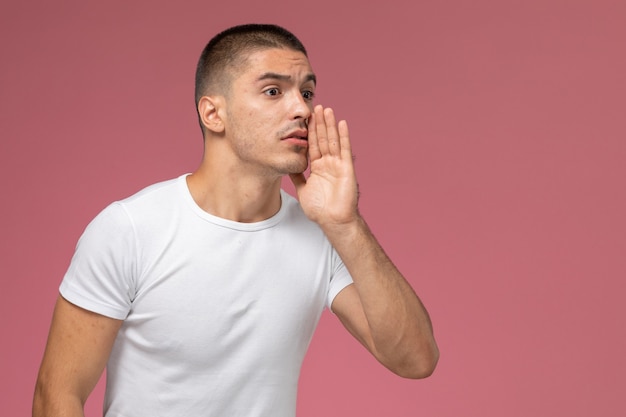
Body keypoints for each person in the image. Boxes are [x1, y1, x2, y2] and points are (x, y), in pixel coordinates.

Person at [33, 24, 439, 417]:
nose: (302, 109)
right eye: (273, 91)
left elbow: (415, 359)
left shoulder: (323, 234)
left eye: (307, 92)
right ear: (213, 114)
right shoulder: (130, 229)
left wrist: (345, 224)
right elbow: (57, 395)